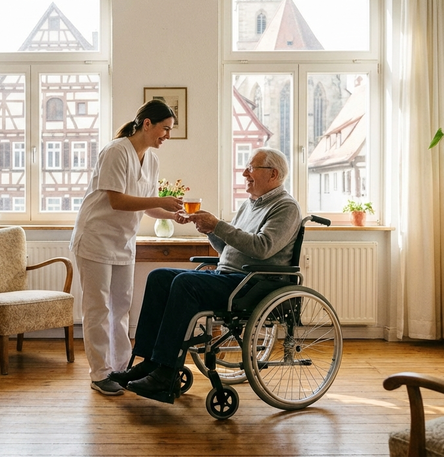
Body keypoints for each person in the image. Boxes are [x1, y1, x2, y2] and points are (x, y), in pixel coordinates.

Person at [109, 147, 301, 401]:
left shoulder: (286, 207)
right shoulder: (250, 205)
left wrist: (218, 225)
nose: (245, 173)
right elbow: (228, 249)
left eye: (251, 168)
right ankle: (149, 362)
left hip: (254, 283)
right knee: (159, 277)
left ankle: (166, 372)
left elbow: (262, 248)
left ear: (273, 174)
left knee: (185, 283)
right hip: (230, 277)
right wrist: (210, 231)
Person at [70, 99, 186, 396]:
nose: (168, 135)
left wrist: (172, 215)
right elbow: (117, 201)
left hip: (122, 241)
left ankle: (120, 369)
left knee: (121, 308)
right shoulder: (116, 151)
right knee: (98, 308)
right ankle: (100, 374)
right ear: (147, 124)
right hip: (95, 237)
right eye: (165, 128)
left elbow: (147, 207)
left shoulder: (152, 160)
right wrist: (161, 201)